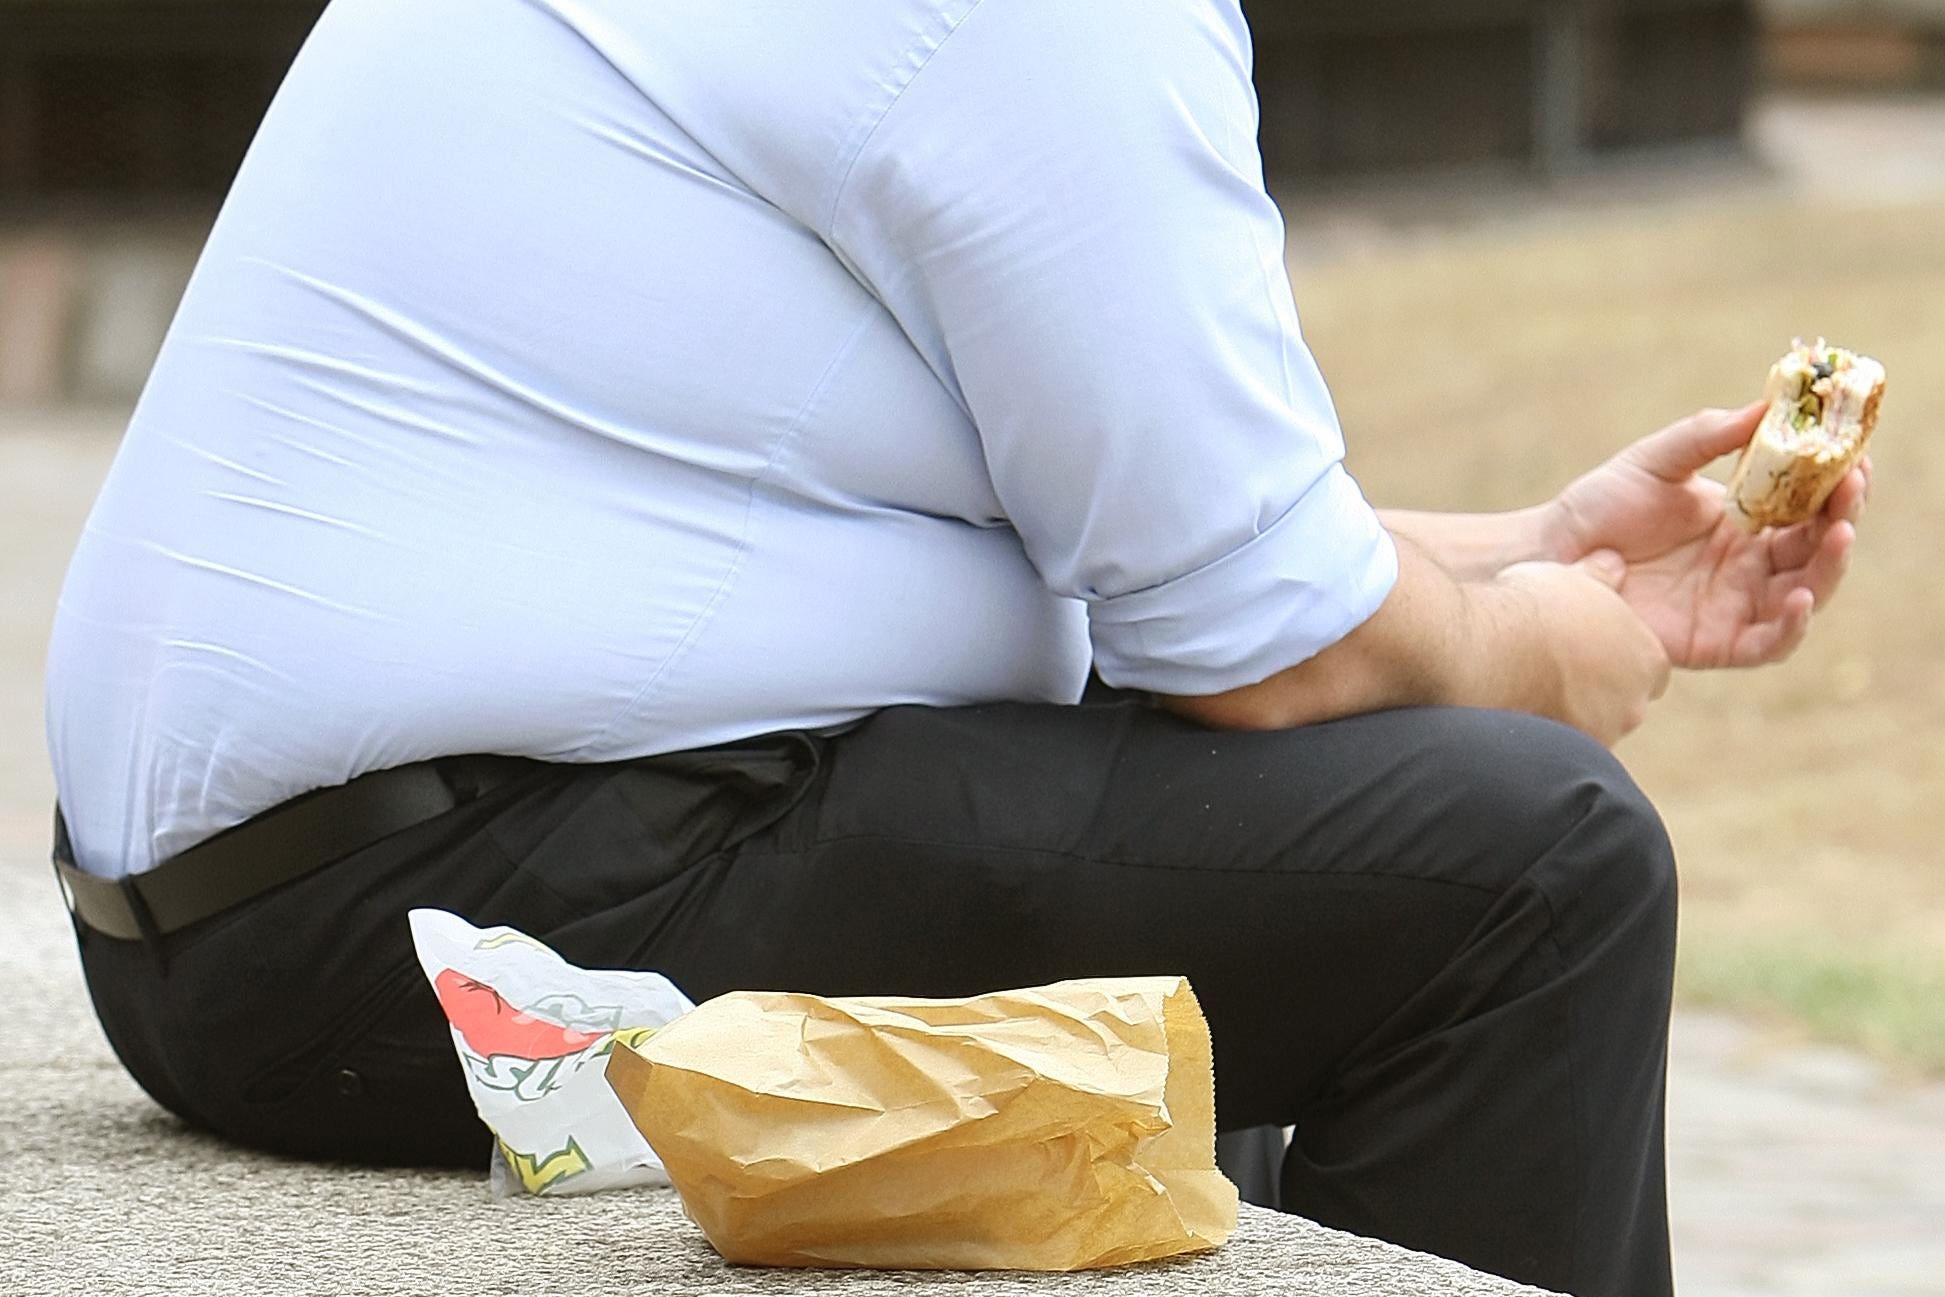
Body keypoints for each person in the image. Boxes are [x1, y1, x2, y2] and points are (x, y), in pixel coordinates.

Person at [44, 3, 1865, 1295]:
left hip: (252, 919)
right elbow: (1252, 647)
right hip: (444, 942)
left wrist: (1531, 554)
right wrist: (1547, 652)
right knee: (1526, 856)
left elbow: (1172, 561)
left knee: (1246, 840)